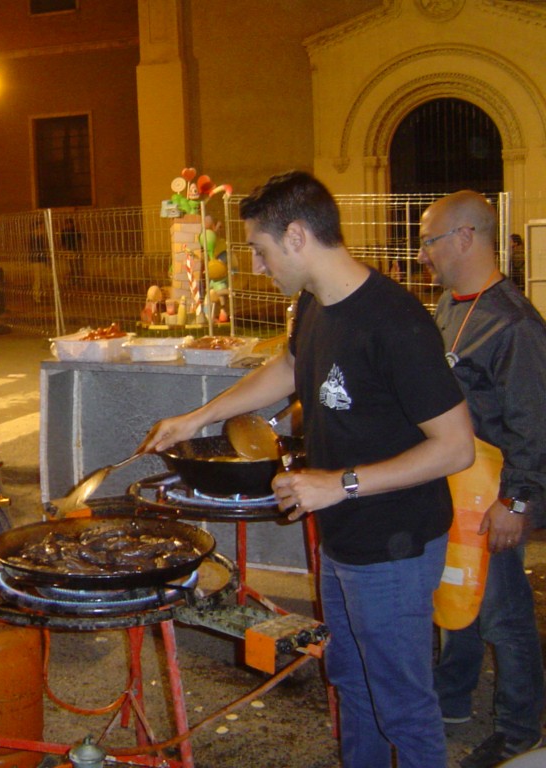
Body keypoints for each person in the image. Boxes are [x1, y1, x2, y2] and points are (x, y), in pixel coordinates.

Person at [140, 171, 474, 768]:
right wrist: (198, 418)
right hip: (344, 536)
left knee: (401, 705)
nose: (257, 265)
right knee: (350, 682)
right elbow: (289, 367)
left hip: (394, 544)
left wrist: (339, 484)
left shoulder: (395, 321)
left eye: (260, 250)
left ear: (296, 236)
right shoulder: (315, 304)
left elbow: (455, 448)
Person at [419, 191, 546, 768]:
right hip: (456, 483)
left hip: (497, 491)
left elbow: (534, 424)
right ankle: (451, 696)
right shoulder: (451, 304)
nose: (423, 254)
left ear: (466, 237)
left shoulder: (514, 324)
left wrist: (515, 503)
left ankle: (520, 731)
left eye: (430, 241)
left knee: (502, 612)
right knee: (457, 593)